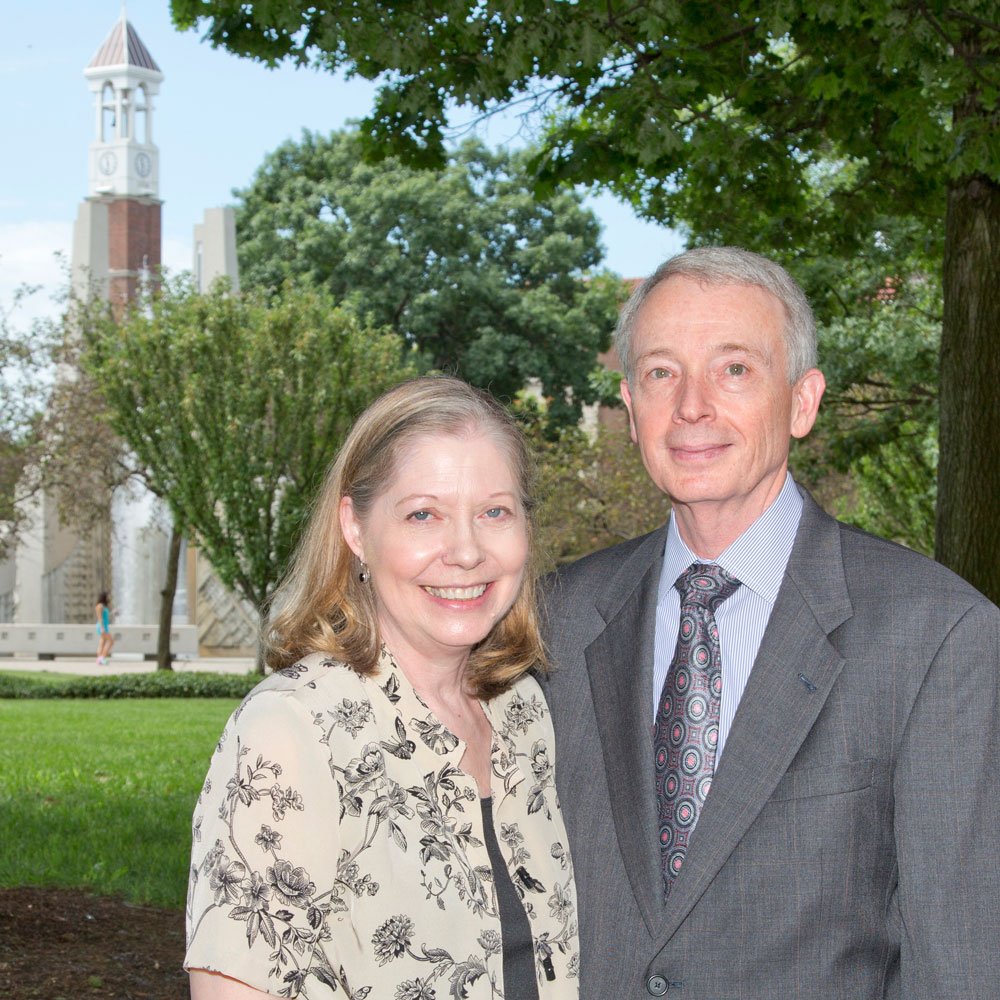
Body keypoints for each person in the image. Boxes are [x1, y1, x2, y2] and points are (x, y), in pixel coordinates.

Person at [543, 246, 1000, 998]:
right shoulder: (557, 620)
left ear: (803, 401)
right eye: (662, 372)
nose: (692, 406)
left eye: (734, 370)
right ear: (629, 410)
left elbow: (961, 969)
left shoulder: (938, 636)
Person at [185, 376, 579, 1000]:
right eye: (424, 514)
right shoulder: (293, 732)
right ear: (355, 528)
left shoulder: (523, 711)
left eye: (494, 512)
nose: (467, 551)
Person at [95, 591, 113, 665]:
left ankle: (99, 659)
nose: (109, 597)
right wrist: (102, 628)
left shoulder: (104, 606)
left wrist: (113, 612)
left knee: (102, 643)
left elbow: (106, 614)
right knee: (111, 641)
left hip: (105, 625)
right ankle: (102, 657)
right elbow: (99, 617)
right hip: (102, 626)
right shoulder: (99, 606)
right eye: (107, 596)